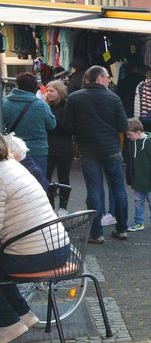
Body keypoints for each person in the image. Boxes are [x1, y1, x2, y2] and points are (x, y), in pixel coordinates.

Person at [0, 137, 63, 343]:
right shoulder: (12, 166)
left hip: (38, 255)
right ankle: (23, 314)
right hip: (57, 247)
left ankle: (9, 324)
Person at [63, 65, 128, 243]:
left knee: (95, 190)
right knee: (118, 189)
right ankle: (122, 229)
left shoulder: (75, 98)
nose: (109, 80)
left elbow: (68, 126)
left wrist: (82, 130)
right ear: (99, 78)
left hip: (88, 150)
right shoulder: (114, 99)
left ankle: (96, 233)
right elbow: (123, 126)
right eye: (107, 77)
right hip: (112, 149)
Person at [2, 72, 55, 184]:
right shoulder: (41, 105)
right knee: (38, 183)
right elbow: (52, 124)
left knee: (16, 184)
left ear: (17, 85)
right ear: (34, 87)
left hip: (14, 150)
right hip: (38, 150)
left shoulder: (5, 103)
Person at [122, 118, 151, 232]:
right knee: (138, 202)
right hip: (137, 180)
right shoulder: (132, 144)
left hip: (150, 180)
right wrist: (130, 178)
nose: (127, 137)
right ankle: (138, 222)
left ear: (138, 132)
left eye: (129, 134)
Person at [43, 80, 74, 214]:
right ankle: (50, 206)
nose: (48, 93)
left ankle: (63, 207)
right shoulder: (45, 106)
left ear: (59, 92)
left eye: (51, 91)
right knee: (46, 178)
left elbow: (70, 127)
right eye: (47, 91)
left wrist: (53, 124)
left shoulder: (68, 106)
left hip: (64, 148)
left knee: (64, 178)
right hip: (48, 148)